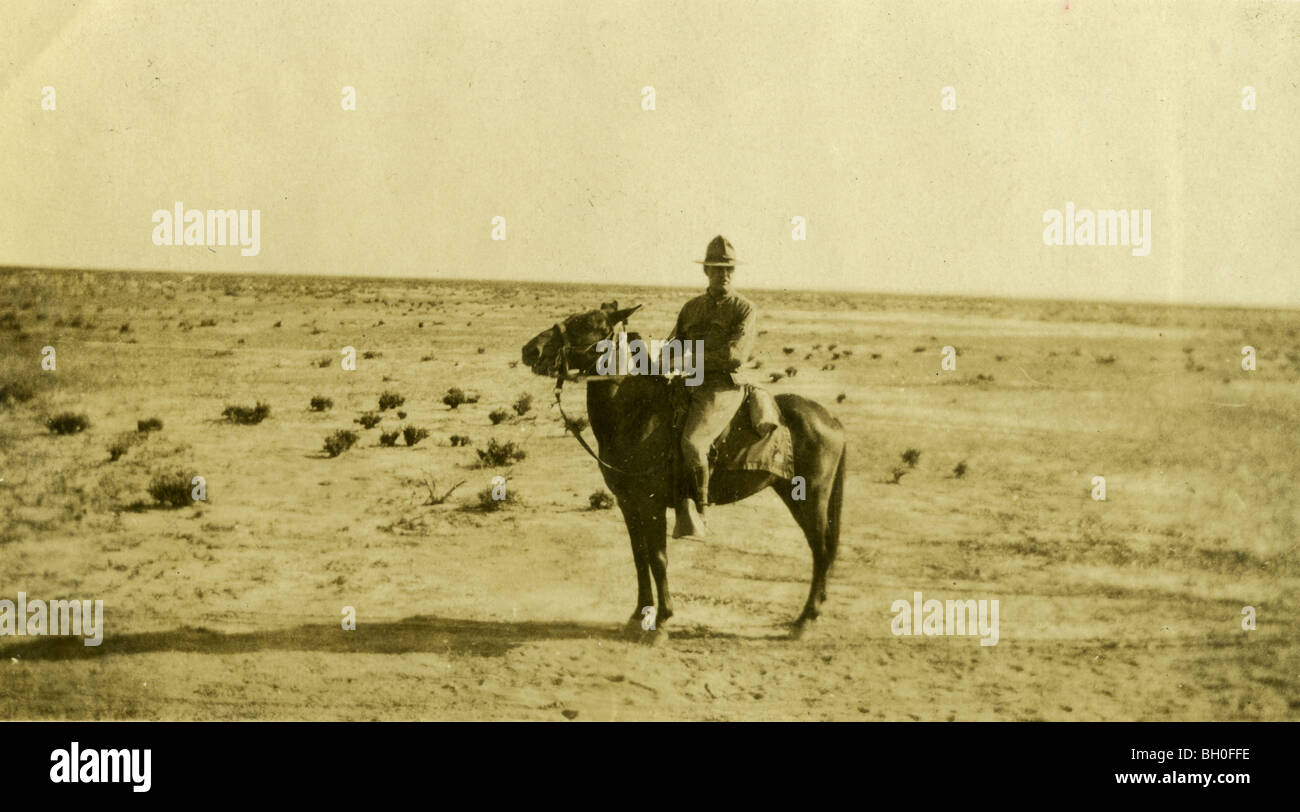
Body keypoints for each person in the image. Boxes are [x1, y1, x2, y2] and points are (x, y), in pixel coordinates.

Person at [669, 235, 756, 540]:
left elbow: (733, 357)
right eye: (717, 268)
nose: (724, 274)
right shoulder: (691, 308)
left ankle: (701, 513)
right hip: (688, 382)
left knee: (693, 443)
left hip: (722, 388)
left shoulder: (744, 309)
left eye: (729, 268)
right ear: (705, 270)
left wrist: (689, 358)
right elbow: (672, 346)